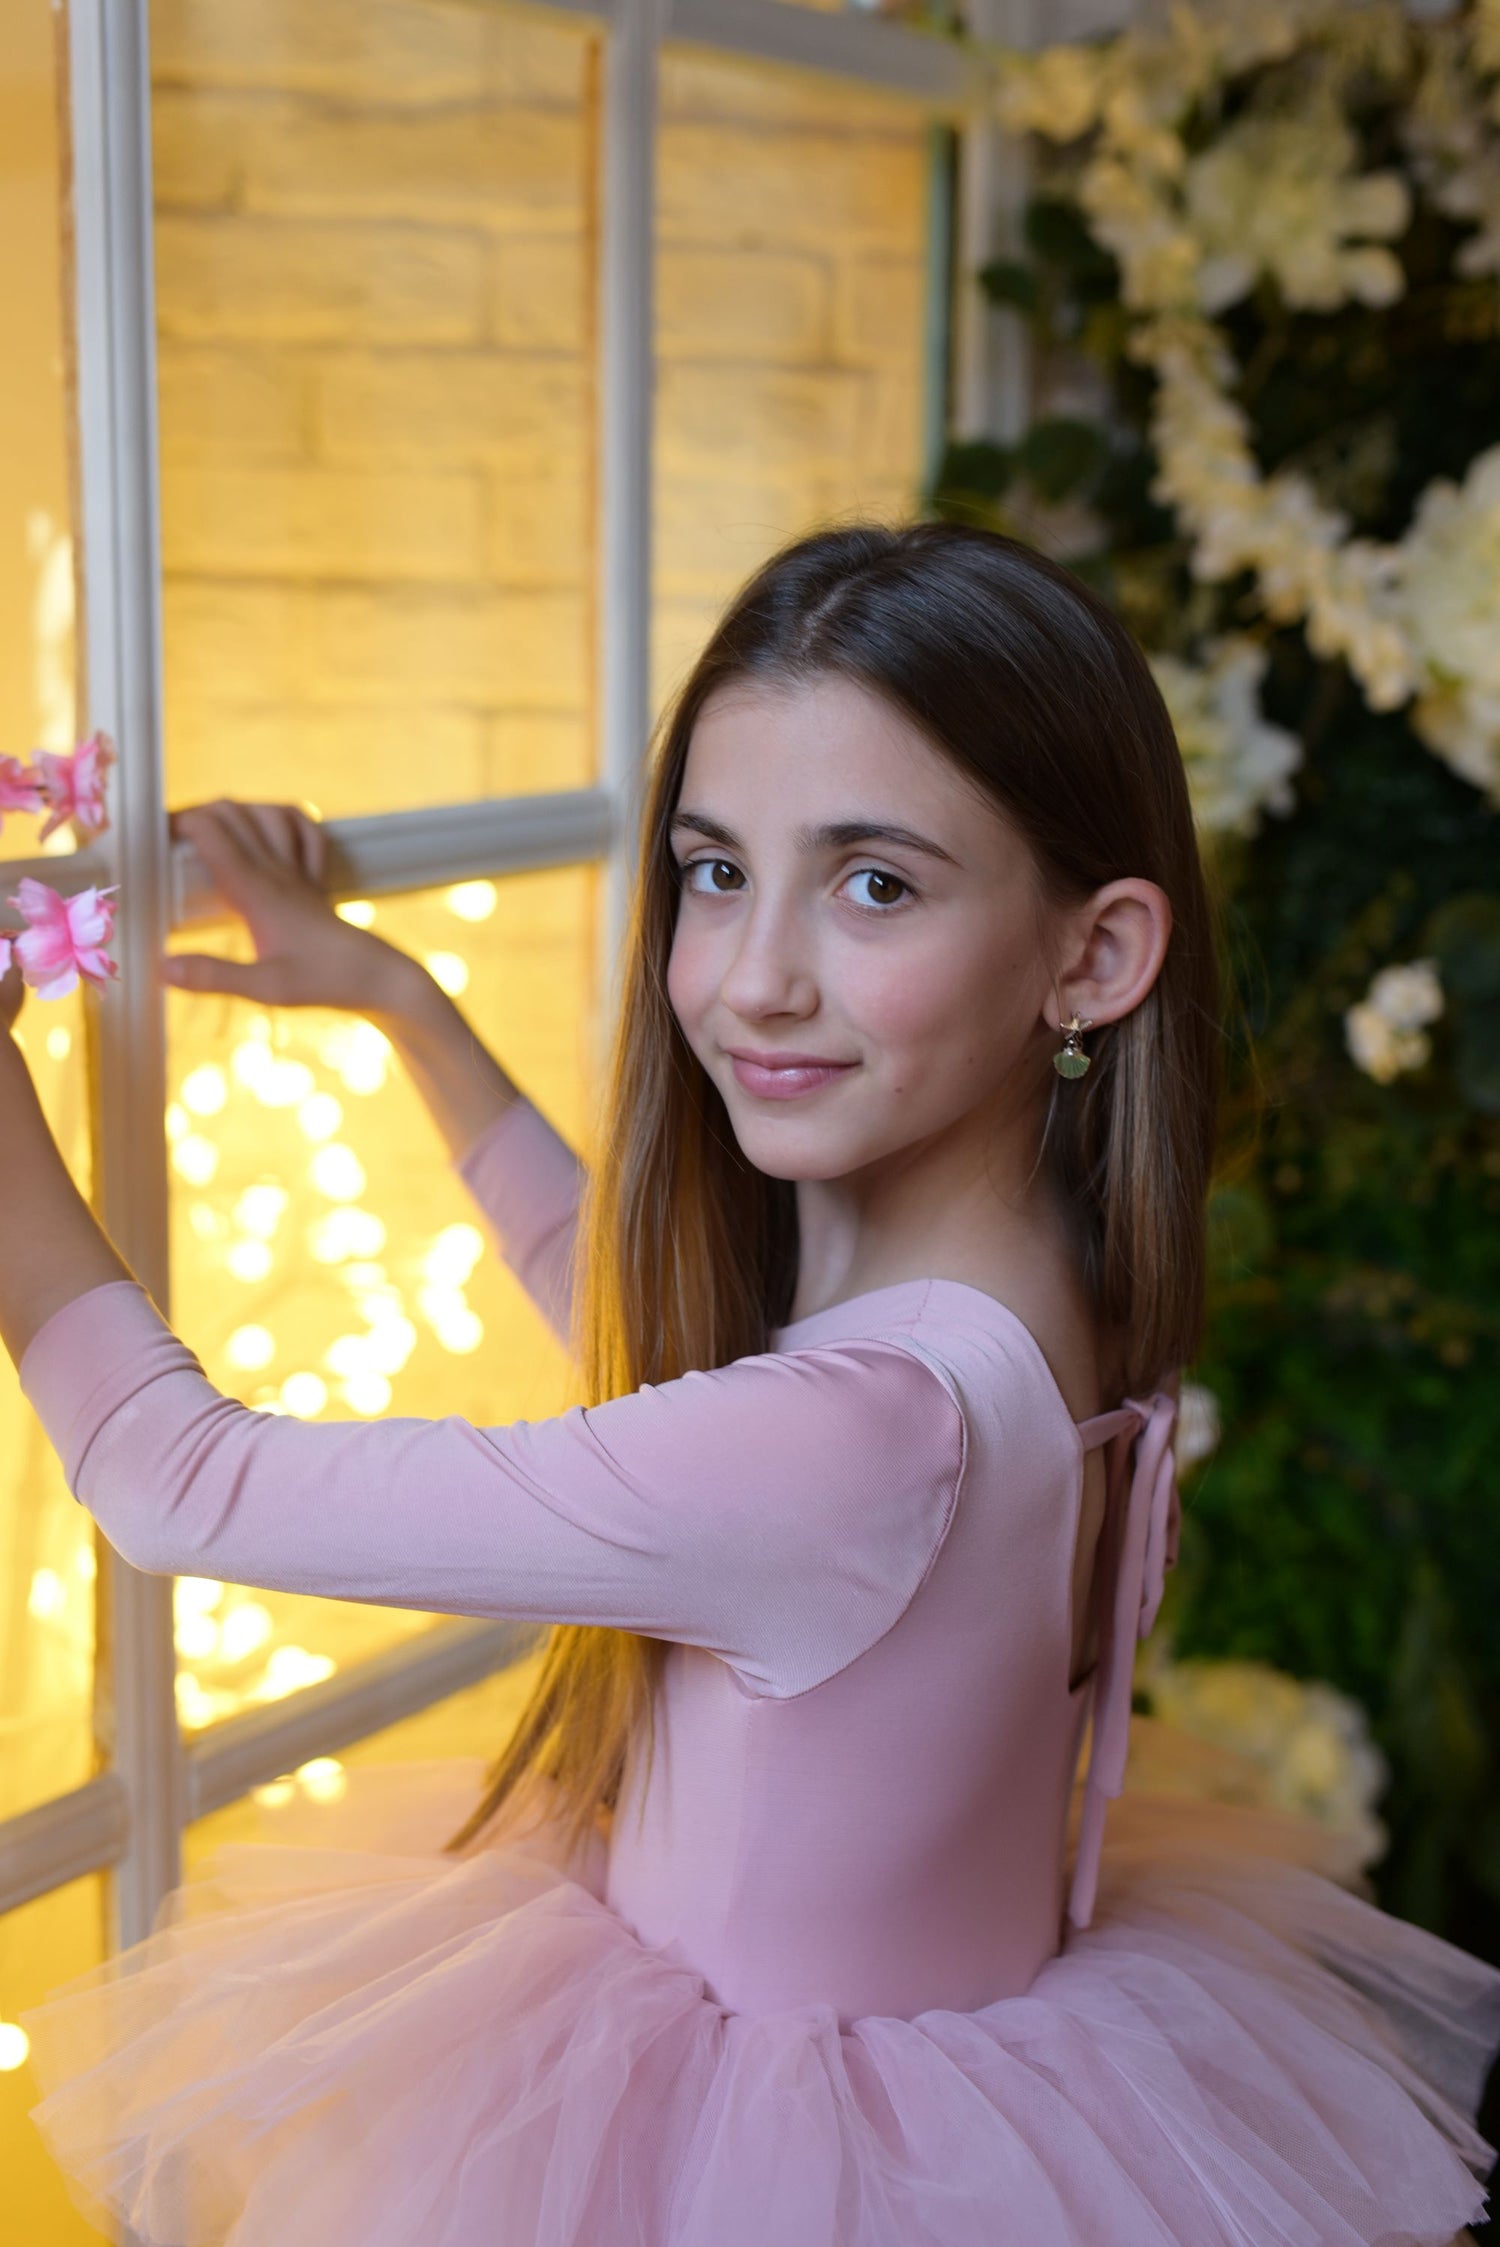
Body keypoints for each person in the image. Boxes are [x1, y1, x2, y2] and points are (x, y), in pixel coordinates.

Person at [3, 522, 1497, 2247]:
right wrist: (400, 1001)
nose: (752, 980)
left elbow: (179, 1483)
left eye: (877, 885)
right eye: (717, 871)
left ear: (1093, 958)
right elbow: (656, 1330)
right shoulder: (1027, 1281)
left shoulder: (857, 1441)